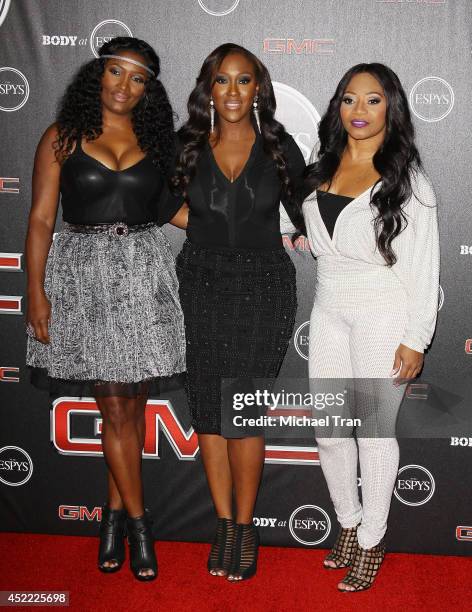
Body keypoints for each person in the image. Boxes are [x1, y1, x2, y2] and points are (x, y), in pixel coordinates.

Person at [25, 37, 185, 581]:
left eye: (137, 78)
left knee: (131, 409)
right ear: (98, 74)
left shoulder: (158, 143)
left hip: (144, 274)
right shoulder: (62, 137)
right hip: (83, 279)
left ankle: (111, 517)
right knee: (115, 408)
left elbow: (181, 212)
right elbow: (42, 220)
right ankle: (140, 526)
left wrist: (255, 219)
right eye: (115, 72)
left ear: (149, 90)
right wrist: (35, 288)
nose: (124, 85)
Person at [294, 63, 439, 592]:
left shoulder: (408, 180)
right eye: (349, 99)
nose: (359, 110)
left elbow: (425, 266)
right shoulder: (321, 166)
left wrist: (415, 337)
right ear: (338, 107)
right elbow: (306, 221)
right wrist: (297, 232)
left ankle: (374, 541)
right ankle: (349, 525)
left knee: (375, 434)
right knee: (331, 431)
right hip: (328, 310)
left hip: (384, 313)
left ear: (391, 108)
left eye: (372, 100)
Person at [164, 43, 305, 581]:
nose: (232, 92)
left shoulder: (278, 146)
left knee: (241, 414)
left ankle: (245, 528)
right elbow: (153, 198)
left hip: (265, 286)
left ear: (258, 90)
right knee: (208, 411)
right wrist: (199, 227)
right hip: (200, 281)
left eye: (244, 81)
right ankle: (223, 524)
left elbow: (308, 207)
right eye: (222, 81)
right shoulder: (185, 144)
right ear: (208, 88)